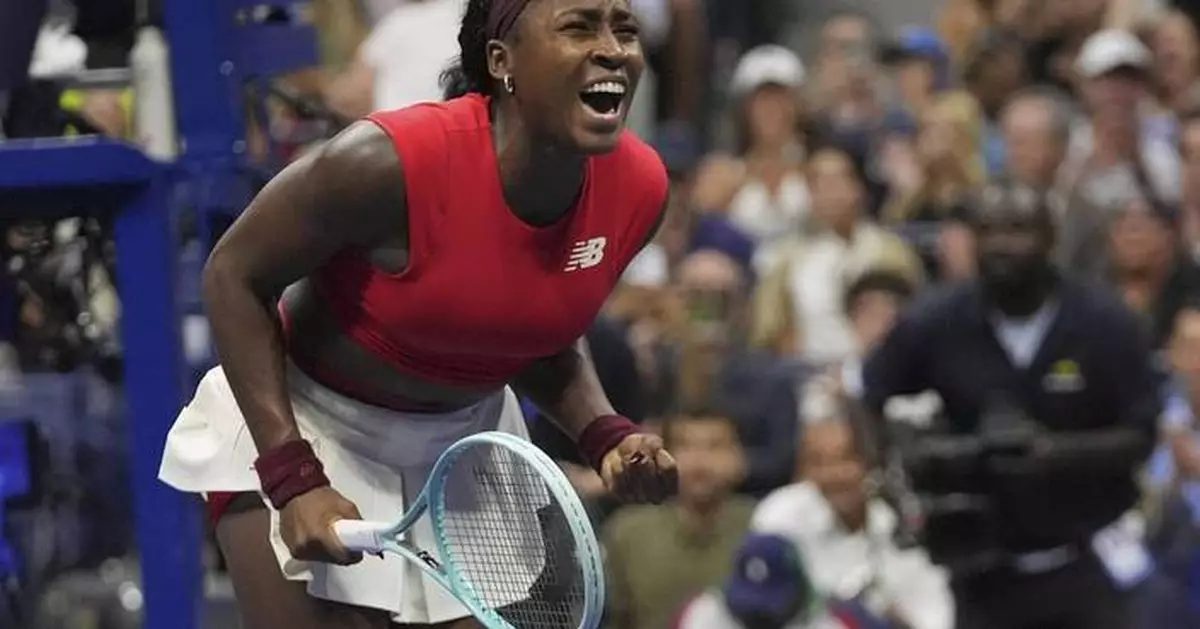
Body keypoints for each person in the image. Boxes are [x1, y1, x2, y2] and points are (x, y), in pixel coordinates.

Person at [156, 1, 678, 628]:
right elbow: (234, 275)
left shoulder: (639, 188)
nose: (613, 49)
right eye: (579, 27)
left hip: (465, 448)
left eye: (626, 30)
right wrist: (292, 476)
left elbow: (536, 330)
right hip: (304, 421)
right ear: (501, 61)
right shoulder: (386, 164)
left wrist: (605, 435)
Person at [862, 179, 1161, 629]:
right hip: (980, 568)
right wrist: (892, 478)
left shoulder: (1104, 321)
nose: (1001, 245)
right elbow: (869, 393)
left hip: (1088, 557)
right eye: (988, 231)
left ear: (1049, 237)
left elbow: (1142, 435)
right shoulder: (938, 320)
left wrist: (1056, 452)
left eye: (1018, 230)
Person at [604, 407, 753, 629]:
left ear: (740, 459)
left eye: (715, 446)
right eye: (685, 446)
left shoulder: (764, 526)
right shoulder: (627, 533)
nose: (699, 460)